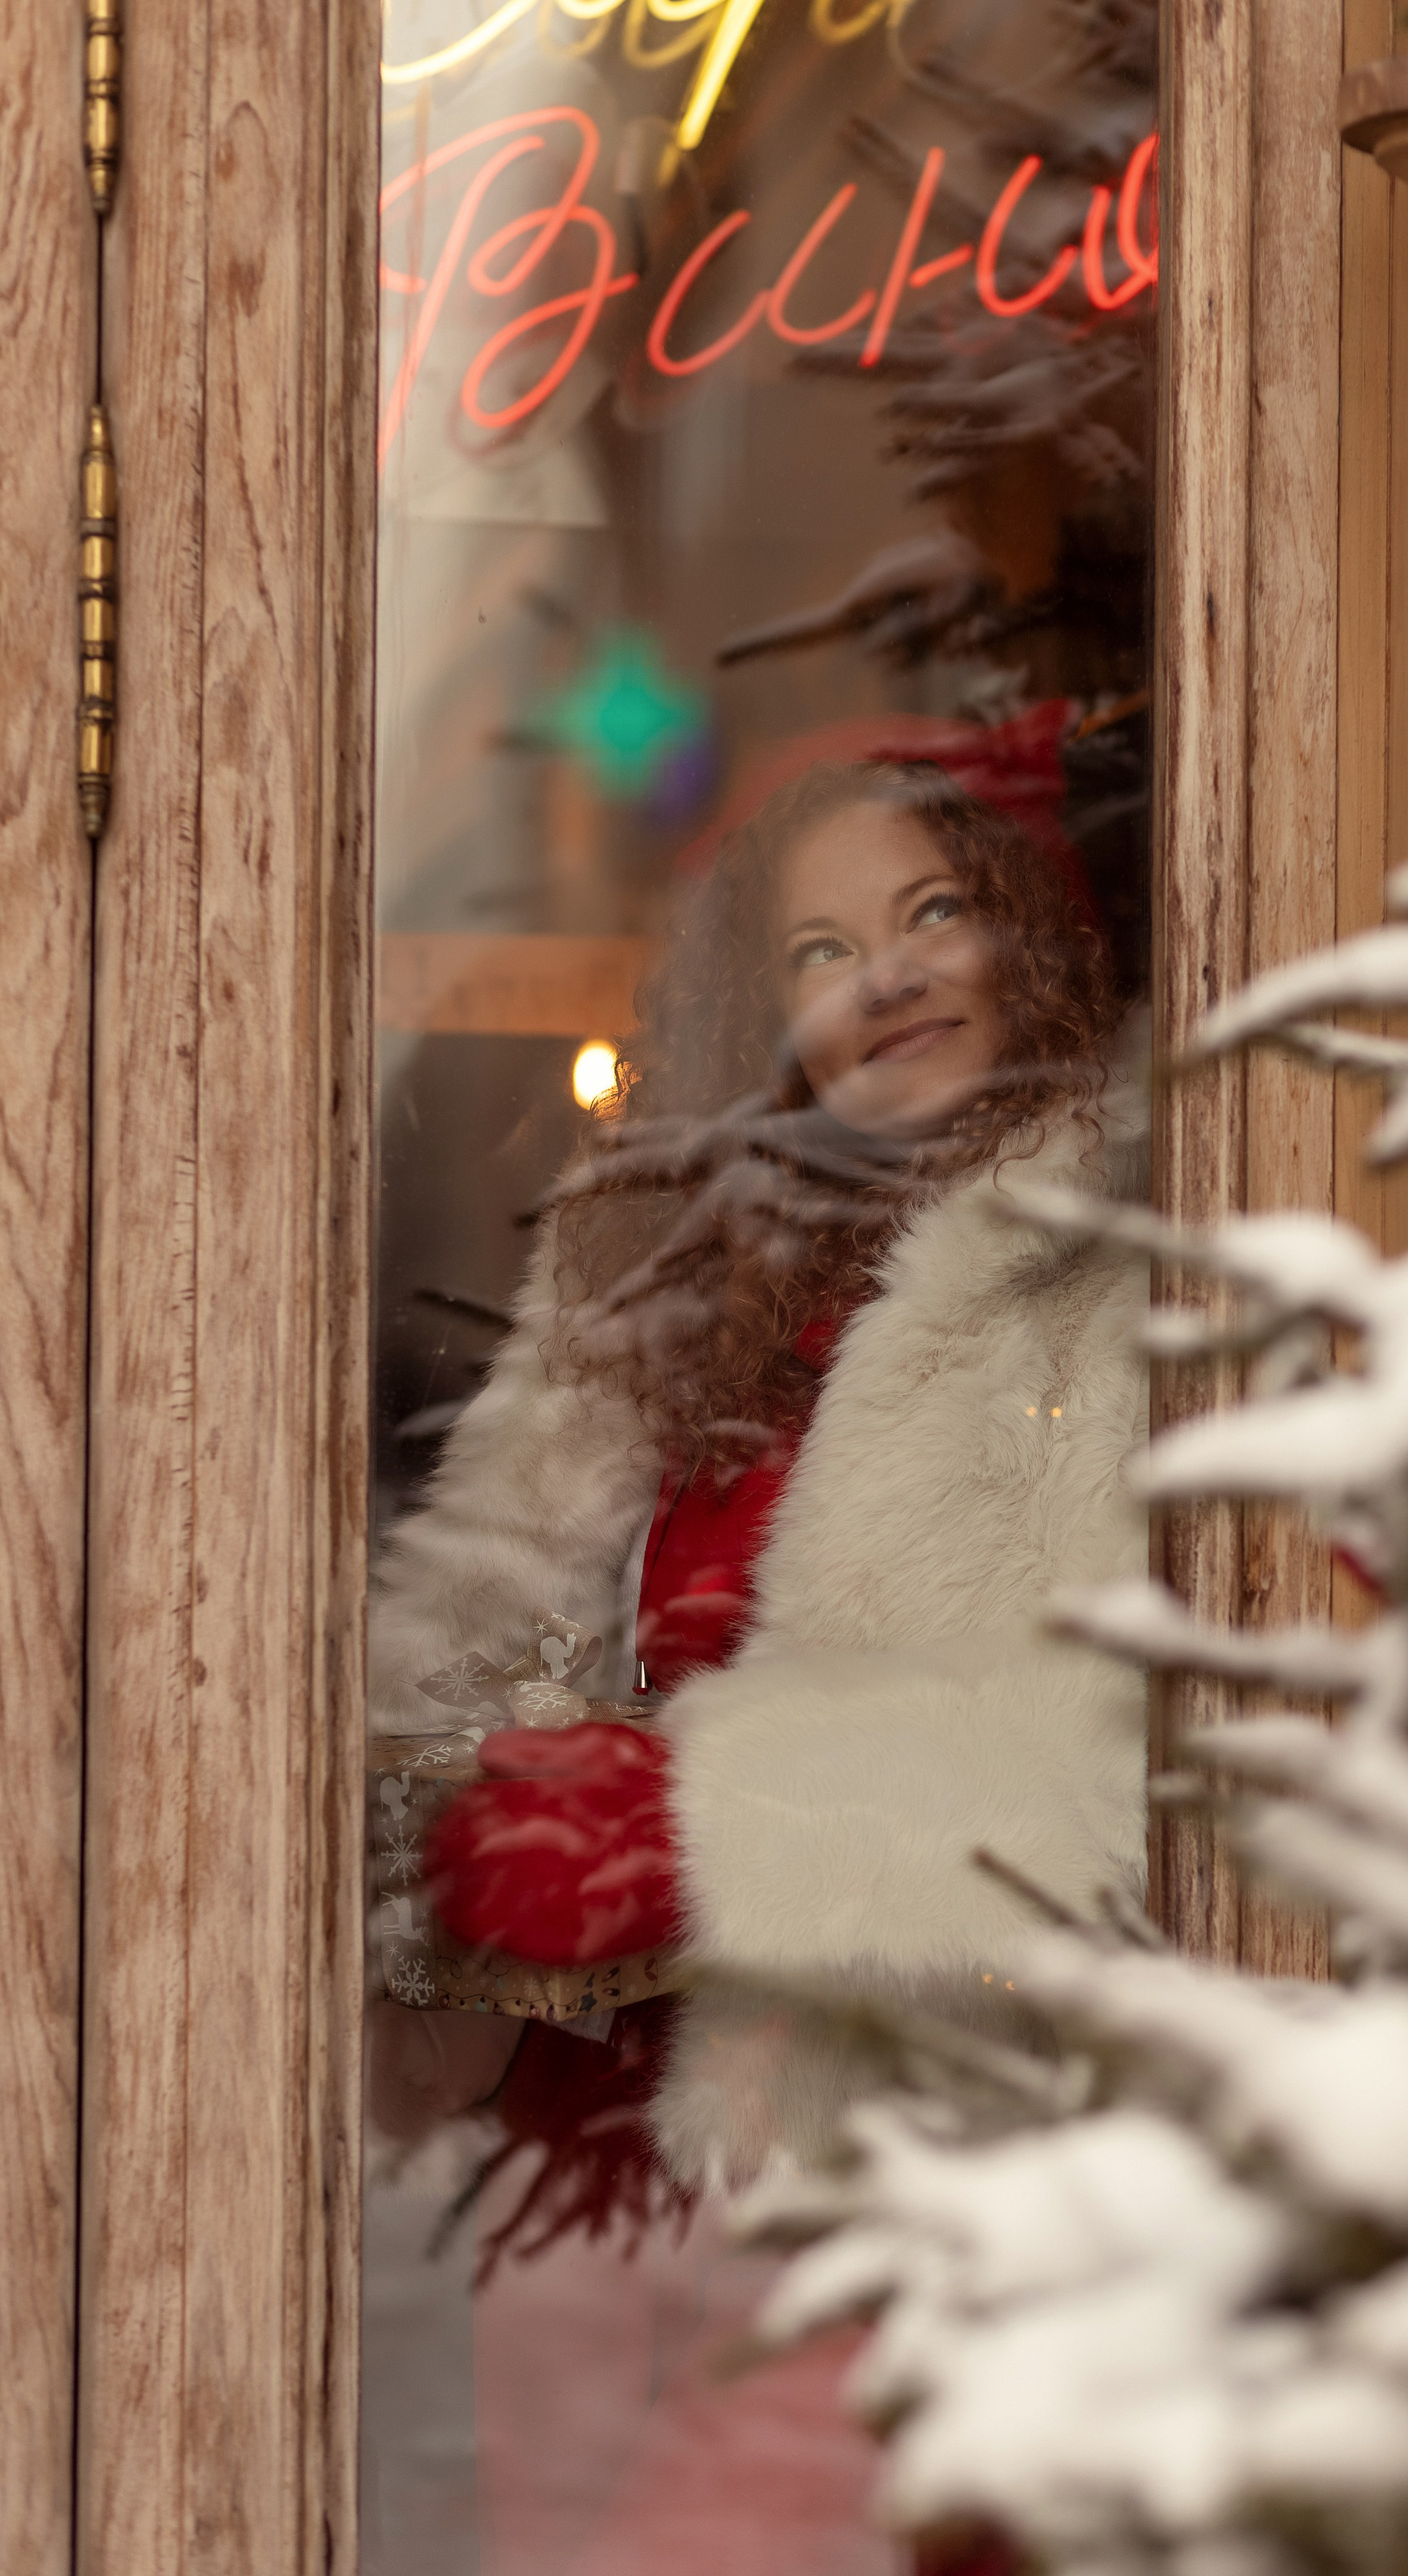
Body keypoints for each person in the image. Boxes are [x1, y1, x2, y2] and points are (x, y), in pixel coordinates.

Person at [368, 757, 1150, 2203]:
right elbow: (480, 1601)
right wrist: (425, 1844)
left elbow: (1097, 1775)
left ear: (1030, 939)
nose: (888, 978)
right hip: (576, 2131)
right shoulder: (665, 1270)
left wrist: (681, 1829)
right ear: (764, 1010)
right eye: (822, 951)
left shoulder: (1100, 1279)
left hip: (920, 2134)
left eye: (935, 911)